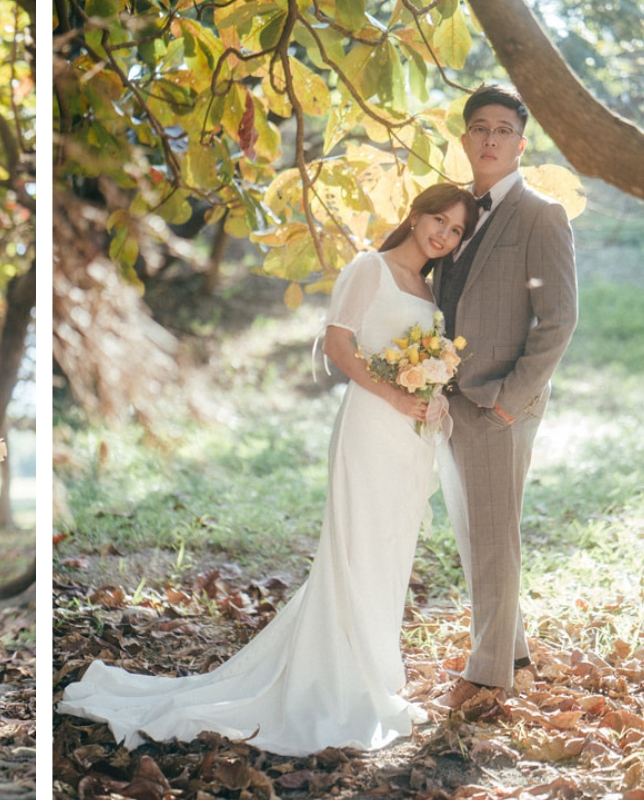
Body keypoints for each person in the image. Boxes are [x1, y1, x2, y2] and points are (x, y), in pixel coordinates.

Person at [57, 184, 478, 756]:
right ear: (415, 213)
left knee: (390, 550)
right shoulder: (369, 268)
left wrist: (431, 399)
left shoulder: (428, 288)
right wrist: (396, 396)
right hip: (370, 425)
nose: (443, 235)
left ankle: (372, 672)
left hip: (410, 438)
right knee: (353, 549)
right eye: (439, 220)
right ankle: (333, 681)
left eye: (455, 231)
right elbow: (338, 346)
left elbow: (426, 365)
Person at [431, 84, 578, 709]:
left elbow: (559, 319)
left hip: (500, 403)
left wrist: (510, 401)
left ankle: (489, 675)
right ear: (466, 139)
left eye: (502, 130)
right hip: (450, 398)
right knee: (473, 530)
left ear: (521, 143)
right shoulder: (453, 210)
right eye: (479, 128)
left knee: (494, 536)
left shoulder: (542, 214)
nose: (490, 139)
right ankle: (511, 647)